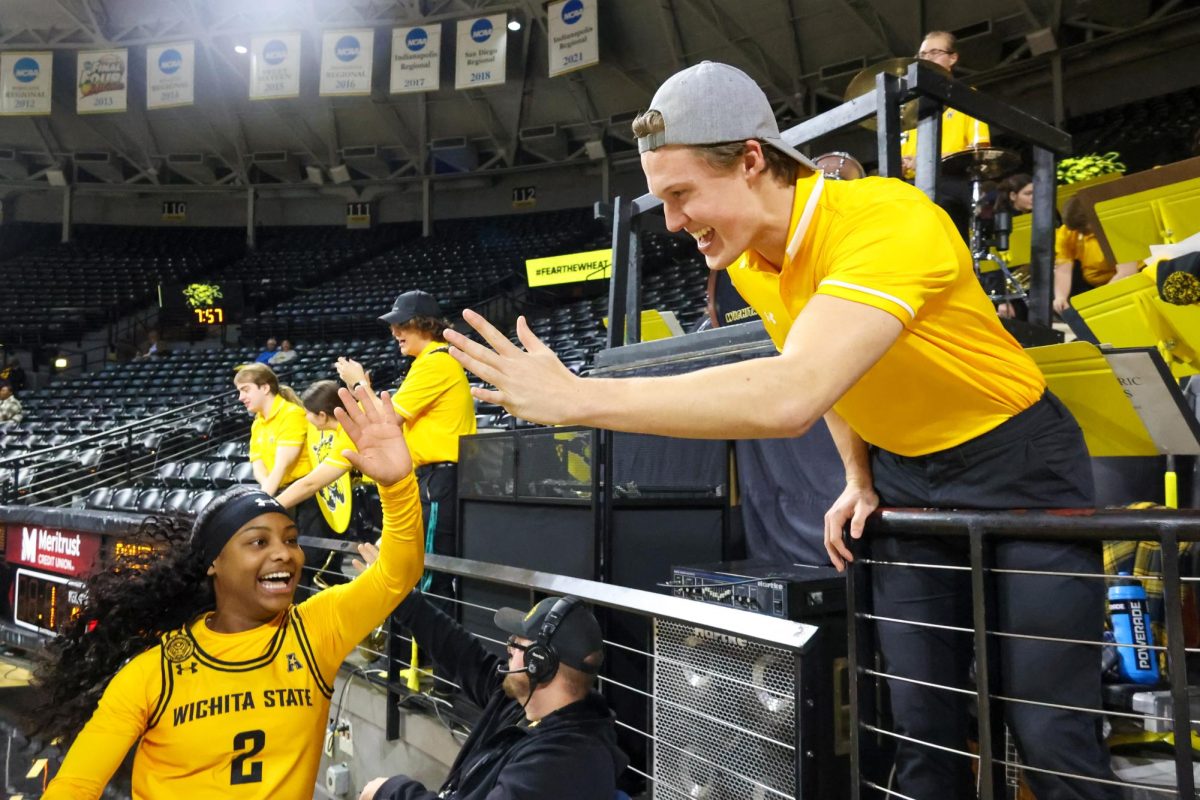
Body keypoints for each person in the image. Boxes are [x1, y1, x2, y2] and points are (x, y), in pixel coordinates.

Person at [442, 61, 1118, 800]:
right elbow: (832, 380)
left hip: (1016, 459)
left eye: (681, 195)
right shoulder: (752, 263)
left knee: (1050, 735)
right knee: (921, 736)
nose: (671, 223)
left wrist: (582, 398)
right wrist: (857, 477)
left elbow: (793, 392)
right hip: (902, 474)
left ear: (753, 160)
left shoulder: (884, 218)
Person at [37, 386, 425, 799]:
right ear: (214, 563)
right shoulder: (153, 673)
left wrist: (398, 485)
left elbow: (396, 574)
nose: (284, 554)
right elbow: (75, 785)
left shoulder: (315, 630)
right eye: (259, 542)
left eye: (291, 540)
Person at [281, 290, 476, 603]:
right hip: (426, 481)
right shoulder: (429, 363)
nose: (394, 332)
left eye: (402, 325)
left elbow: (384, 424)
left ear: (425, 324)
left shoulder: (436, 363)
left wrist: (359, 383)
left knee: (429, 581)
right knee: (420, 578)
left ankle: (430, 652)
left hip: (439, 481)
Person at [358, 593, 628, 800]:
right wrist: (400, 597)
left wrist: (390, 791)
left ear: (540, 664)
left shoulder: (564, 764)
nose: (508, 648)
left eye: (517, 644)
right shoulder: (524, 706)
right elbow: (464, 656)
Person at [900, 31, 991, 239]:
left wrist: (925, 162)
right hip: (912, 187)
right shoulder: (909, 106)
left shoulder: (967, 96)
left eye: (934, 52)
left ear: (953, 58)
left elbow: (979, 152)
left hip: (951, 180)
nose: (927, 58)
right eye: (923, 54)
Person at [1053, 196, 1142, 313]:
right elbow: (1063, 270)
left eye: (1084, 227)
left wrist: (1097, 300)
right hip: (1099, 288)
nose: (1081, 232)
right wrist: (1060, 297)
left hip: (1133, 282)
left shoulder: (1113, 225)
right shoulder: (1069, 231)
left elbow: (1127, 272)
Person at [235, 363, 312, 498]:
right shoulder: (257, 423)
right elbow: (258, 465)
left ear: (265, 388)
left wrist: (265, 500)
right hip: (275, 489)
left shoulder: (292, 414)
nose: (240, 397)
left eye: (245, 390)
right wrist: (268, 489)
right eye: (239, 391)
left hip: (303, 495)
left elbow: (281, 466)